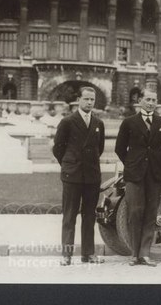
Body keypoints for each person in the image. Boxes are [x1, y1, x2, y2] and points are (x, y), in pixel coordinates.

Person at [115, 89, 161, 267]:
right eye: (147, 99)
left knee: (151, 213)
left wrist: (160, 164)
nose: (151, 103)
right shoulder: (129, 122)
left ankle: (145, 253)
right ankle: (134, 254)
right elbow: (120, 148)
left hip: (154, 175)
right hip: (134, 175)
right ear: (140, 100)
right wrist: (131, 164)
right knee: (135, 212)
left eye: (154, 100)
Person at [52, 87, 105, 266]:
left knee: (89, 216)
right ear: (79, 100)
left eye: (92, 99)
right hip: (72, 176)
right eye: (86, 99)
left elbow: (100, 149)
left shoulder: (98, 123)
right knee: (69, 216)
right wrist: (69, 164)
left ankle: (88, 254)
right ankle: (66, 255)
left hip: (92, 176)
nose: (90, 102)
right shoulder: (67, 121)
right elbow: (58, 148)